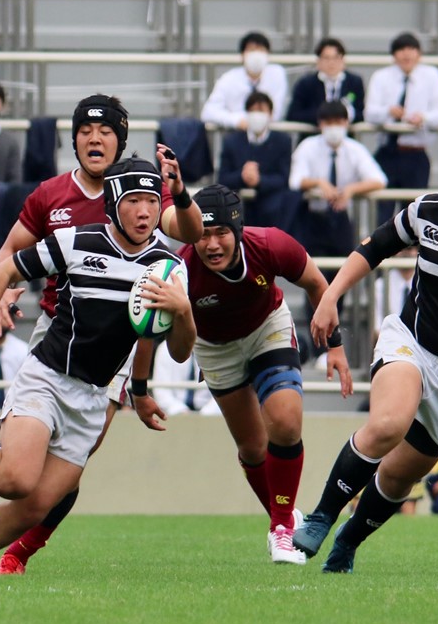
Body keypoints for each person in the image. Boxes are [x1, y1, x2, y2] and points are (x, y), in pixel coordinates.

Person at [0, 157, 196, 580]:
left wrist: (183, 311)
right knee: (15, 481)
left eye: (151, 201)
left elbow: (182, 352)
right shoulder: (76, 241)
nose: (145, 211)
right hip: (48, 378)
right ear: (114, 202)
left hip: (93, 401)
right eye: (133, 200)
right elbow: (5, 268)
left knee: (32, 509)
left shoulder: (168, 268)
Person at [0, 94, 202, 575]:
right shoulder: (50, 194)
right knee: (30, 465)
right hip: (56, 327)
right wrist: (4, 294)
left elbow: (186, 231)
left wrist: (181, 192)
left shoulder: (143, 192)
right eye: (85, 130)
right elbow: (11, 253)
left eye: (105, 132)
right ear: (74, 140)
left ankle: (21, 549)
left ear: (120, 140)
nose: (94, 138)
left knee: (76, 454)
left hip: (119, 339)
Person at [294, 129, 438, 573]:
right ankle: (320, 516)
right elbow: (372, 250)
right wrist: (331, 296)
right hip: (409, 341)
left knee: (400, 476)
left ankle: (347, 542)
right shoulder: (426, 211)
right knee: (389, 423)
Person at [132, 185, 353, 564]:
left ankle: (281, 529)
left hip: (267, 327)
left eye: (221, 233)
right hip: (214, 348)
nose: (212, 243)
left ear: (238, 231)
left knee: (285, 421)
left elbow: (319, 285)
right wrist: (139, 389)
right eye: (203, 233)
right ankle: (283, 517)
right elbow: (151, 333)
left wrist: (334, 345)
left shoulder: (271, 245)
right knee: (252, 448)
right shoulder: (178, 272)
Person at [365, 32, 438, 225]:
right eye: (401, 50)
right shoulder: (381, 77)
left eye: (411, 49)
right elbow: (370, 112)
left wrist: (423, 118)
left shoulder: (431, 75)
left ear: (419, 54)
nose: (406, 55)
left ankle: (412, 251)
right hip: (388, 151)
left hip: (416, 153)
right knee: (384, 210)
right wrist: (389, 112)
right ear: (394, 54)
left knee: (414, 210)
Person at [290, 100, 388, 262]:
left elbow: (379, 180)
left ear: (346, 123)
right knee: (316, 276)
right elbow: (295, 181)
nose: (334, 127)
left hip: (342, 219)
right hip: (313, 218)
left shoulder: (354, 149)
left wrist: (351, 189)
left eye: (338, 122)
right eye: (329, 122)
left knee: (342, 273)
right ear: (320, 124)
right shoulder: (308, 146)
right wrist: (318, 183)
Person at [216, 91, 296, 231]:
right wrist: (242, 176)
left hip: (271, 206)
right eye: (253, 111)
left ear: (270, 114)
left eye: (261, 110)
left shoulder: (282, 141)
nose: (257, 115)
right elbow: (223, 177)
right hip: (238, 205)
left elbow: (283, 178)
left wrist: (259, 180)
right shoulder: (232, 141)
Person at [201, 31, 289, 128]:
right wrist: (236, 121)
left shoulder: (277, 74)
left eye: (261, 50)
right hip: (238, 135)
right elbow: (208, 112)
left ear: (268, 54)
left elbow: (276, 113)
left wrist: (257, 120)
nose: (256, 55)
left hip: (268, 134)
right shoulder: (229, 78)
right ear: (242, 55)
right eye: (251, 50)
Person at [286, 37, 365, 129]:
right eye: (326, 58)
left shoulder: (354, 82)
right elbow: (293, 114)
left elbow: (361, 114)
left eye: (336, 58)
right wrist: (324, 116)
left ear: (343, 60)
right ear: (318, 61)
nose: (331, 63)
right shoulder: (306, 83)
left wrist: (347, 115)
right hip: (313, 137)